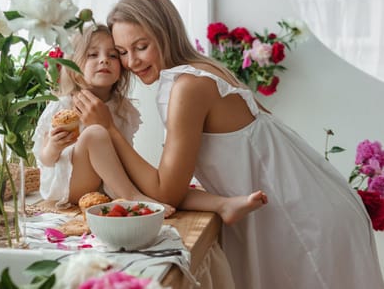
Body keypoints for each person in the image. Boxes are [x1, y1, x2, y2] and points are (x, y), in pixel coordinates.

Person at [72, 0, 384, 289]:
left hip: (305, 220)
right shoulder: (196, 72)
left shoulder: (187, 87)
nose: (131, 63)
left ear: (165, 35)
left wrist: (109, 128)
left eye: (141, 47)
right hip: (305, 205)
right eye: (123, 52)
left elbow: (165, 192)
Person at [33, 24, 266, 222]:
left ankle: (222, 205)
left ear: (122, 70)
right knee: (95, 134)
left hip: (107, 184)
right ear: (74, 70)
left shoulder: (123, 109)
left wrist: (144, 184)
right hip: (71, 185)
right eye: (93, 55)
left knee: (161, 187)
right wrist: (53, 147)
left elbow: (122, 158)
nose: (104, 59)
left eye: (113, 55)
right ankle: (133, 198)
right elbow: (44, 158)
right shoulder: (64, 105)